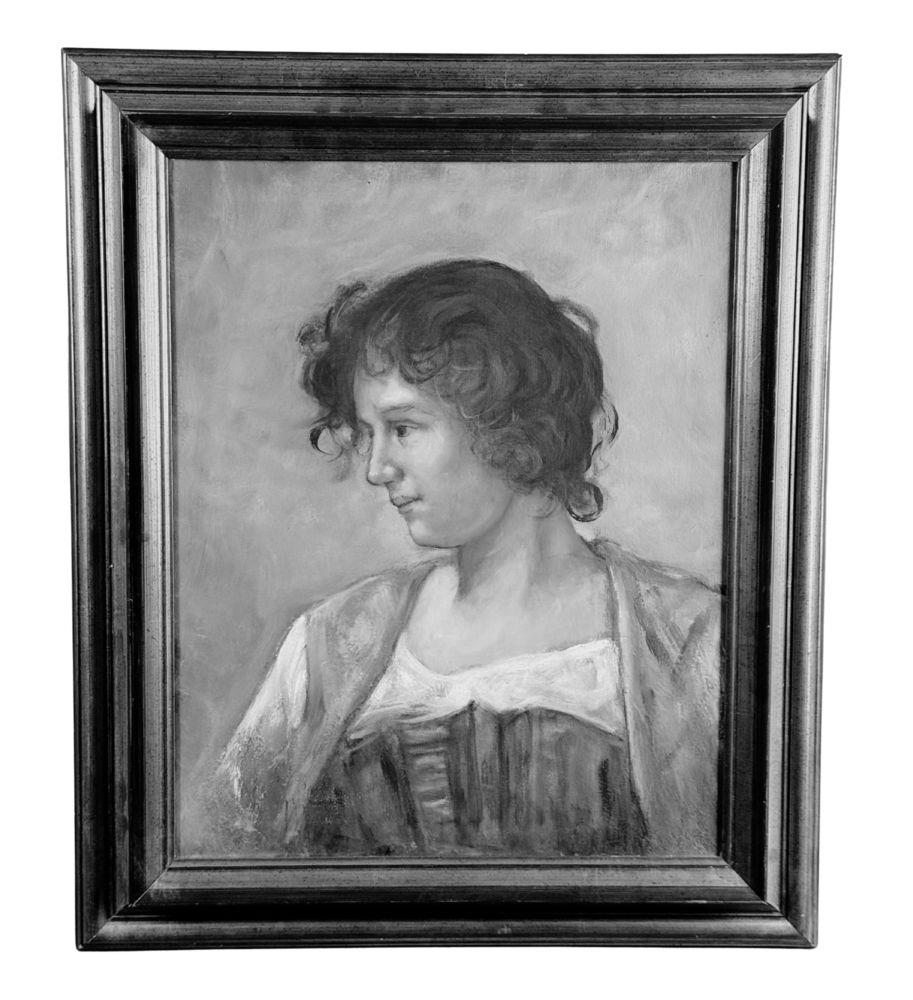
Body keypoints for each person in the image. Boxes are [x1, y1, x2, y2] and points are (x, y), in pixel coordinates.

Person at [207, 259, 720, 858]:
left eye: (403, 428)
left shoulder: (690, 640)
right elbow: (229, 852)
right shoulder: (331, 644)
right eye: (368, 434)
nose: (376, 469)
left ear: (511, 426)